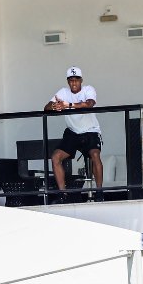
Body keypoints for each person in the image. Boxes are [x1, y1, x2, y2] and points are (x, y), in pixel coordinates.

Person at [43, 66, 104, 202]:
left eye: (76, 80)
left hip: (90, 131)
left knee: (95, 154)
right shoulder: (63, 92)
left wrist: (68, 105)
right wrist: (55, 106)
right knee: (55, 157)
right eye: (71, 80)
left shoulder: (89, 89)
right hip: (73, 132)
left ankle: (99, 192)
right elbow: (46, 107)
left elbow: (89, 104)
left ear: (81, 80)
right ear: (68, 81)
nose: (74, 83)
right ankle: (62, 194)